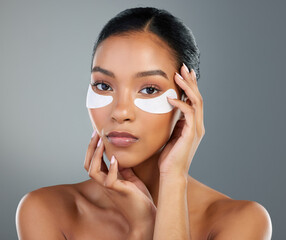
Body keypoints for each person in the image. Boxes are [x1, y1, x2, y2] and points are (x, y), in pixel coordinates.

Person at [15, 7, 272, 240]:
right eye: (103, 85)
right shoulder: (45, 210)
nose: (120, 112)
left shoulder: (242, 221)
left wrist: (172, 180)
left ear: (187, 102)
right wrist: (142, 227)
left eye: (149, 89)